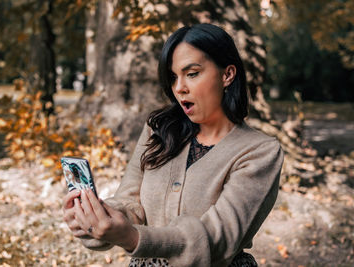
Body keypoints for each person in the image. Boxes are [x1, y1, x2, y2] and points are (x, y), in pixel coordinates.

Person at [63, 23, 284, 267]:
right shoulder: (158, 129)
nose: (179, 88)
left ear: (227, 75)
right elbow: (129, 203)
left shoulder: (260, 152)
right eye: (173, 77)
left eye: (192, 74)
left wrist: (132, 237)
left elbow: (217, 239)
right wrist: (99, 218)